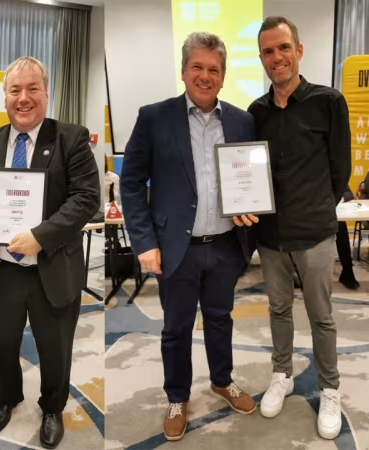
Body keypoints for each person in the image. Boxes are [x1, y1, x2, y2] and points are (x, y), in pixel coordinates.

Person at [120, 32, 258, 441]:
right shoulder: (153, 117)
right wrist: (144, 243)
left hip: (226, 247)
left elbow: (249, 178)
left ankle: (221, 380)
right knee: (176, 328)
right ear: (183, 71)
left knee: (220, 320)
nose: (205, 75)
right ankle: (177, 396)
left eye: (213, 69)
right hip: (175, 249)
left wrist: (251, 204)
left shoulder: (241, 120)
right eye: (197, 66)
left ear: (223, 76)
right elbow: (131, 183)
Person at [0, 56, 100, 449]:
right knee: (3, 342)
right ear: (4, 97)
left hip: (53, 265)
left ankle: (53, 406)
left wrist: (41, 235)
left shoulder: (71, 138)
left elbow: (86, 198)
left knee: (55, 346)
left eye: (32, 89)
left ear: (46, 93)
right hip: (2, 269)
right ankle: (7, 396)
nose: (23, 98)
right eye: (14, 90)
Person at [246, 16, 350, 439]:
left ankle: (330, 387)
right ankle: (282, 373)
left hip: (315, 233)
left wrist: (316, 208)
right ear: (261, 58)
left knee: (321, 316)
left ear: (299, 50)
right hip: (270, 237)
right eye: (268, 51)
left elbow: (340, 169)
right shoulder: (256, 111)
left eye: (283, 48)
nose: (276, 58)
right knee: (277, 309)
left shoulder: (329, 101)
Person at [336, 187, 359, 289]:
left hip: (332, 213)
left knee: (341, 230)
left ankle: (347, 273)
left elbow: (348, 193)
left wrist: (341, 198)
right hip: (311, 215)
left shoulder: (332, 174)